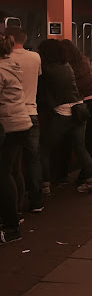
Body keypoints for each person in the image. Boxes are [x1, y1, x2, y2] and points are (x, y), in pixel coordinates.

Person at [38, 39, 92, 195]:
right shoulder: (67, 66)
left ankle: (44, 185)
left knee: (43, 149)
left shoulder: (46, 69)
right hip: (79, 109)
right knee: (80, 147)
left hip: (62, 112)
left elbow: (43, 93)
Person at [5, 26, 43, 214]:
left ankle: (15, 208)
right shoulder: (35, 57)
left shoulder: (6, 61)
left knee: (12, 166)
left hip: (12, 116)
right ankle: (37, 200)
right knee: (33, 159)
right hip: (31, 113)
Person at [0, 32, 33, 244]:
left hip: (8, 125)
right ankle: (16, 217)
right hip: (21, 122)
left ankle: (11, 227)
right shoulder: (11, 64)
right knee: (11, 171)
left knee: (3, 175)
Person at [59, 39, 92, 181]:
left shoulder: (67, 66)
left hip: (83, 104)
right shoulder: (83, 60)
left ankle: (85, 175)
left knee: (78, 142)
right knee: (91, 140)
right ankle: (88, 172)